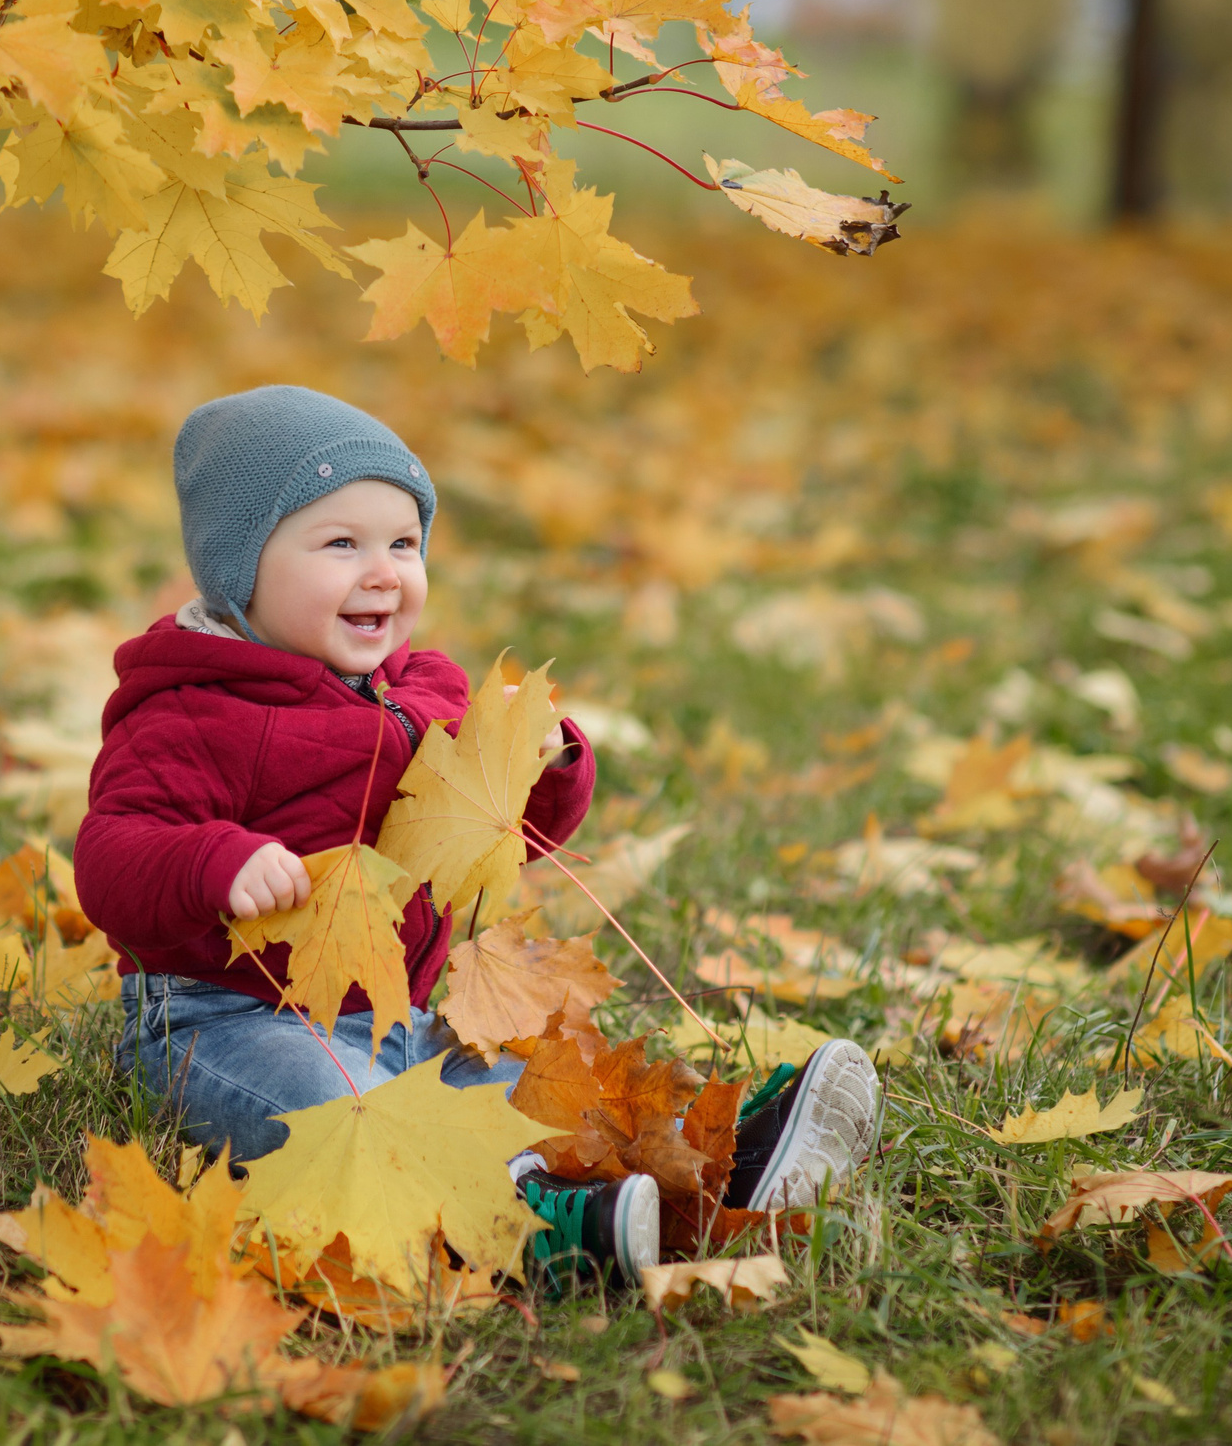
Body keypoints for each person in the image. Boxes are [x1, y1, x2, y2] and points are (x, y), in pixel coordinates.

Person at [75, 385, 878, 1287]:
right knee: (342, 1114)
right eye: (341, 544)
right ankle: (534, 1240)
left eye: (404, 544)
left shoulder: (423, 690)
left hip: (408, 1017)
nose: (384, 572)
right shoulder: (193, 709)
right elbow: (111, 853)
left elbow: (509, 838)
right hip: (229, 1021)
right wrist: (213, 860)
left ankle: (713, 1158)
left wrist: (543, 764)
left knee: (530, 1094)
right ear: (238, 571)